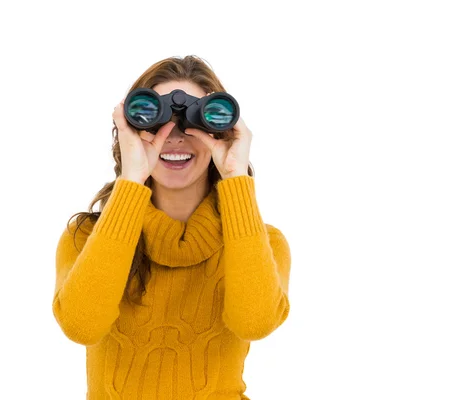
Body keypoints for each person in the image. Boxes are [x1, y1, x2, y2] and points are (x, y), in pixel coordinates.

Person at [52, 55, 291, 400]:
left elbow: (254, 322)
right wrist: (132, 178)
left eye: (194, 122)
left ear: (221, 132)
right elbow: (82, 325)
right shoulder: (87, 237)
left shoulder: (262, 243)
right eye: (155, 120)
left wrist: (235, 175)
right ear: (130, 130)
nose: (175, 137)